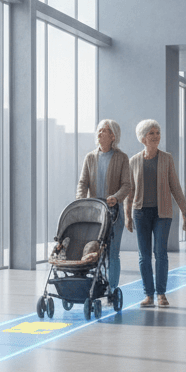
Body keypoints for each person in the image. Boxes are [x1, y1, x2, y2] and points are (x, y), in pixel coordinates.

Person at [127, 119, 186, 307]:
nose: (156, 136)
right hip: (140, 213)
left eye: (157, 133)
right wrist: (127, 215)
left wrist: (185, 211)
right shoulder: (134, 161)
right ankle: (149, 295)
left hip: (163, 213)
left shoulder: (166, 158)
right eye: (151, 133)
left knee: (160, 253)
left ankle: (161, 294)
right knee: (144, 256)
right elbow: (130, 191)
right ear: (143, 138)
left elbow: (175, 186)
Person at [76, 119, 132, 292]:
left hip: (114, 214)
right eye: (99, 130)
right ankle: (97, 286)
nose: (100, 133)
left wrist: (116, 197)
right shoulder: (90, 157)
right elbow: (83, 183)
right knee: (95, 251)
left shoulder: (122, 158)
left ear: (113, 136)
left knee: (112, 253)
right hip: (94, 215)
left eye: (104, 130)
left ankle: (112, 289)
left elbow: (127, 185)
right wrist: (80, 199)